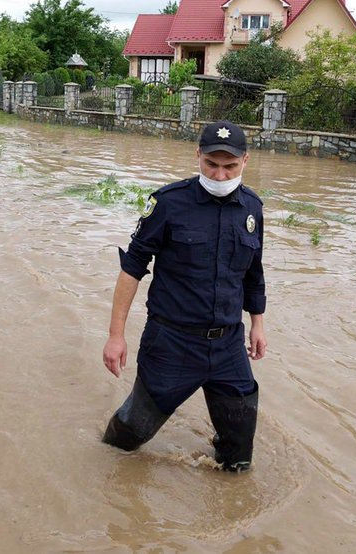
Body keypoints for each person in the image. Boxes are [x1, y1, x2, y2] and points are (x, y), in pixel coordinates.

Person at [101, 120, 266, 472]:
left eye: (230, 167)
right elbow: (132, 267)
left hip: (228, 346)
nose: (220, 176)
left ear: (245, 161)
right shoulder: (168, 204)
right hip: (172, 344)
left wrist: (257, 323)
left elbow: (253, 271)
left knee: (238, 457)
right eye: (212, 165)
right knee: (128, 437)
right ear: (198, 156)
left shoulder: (252, 208)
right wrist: (116, 336)